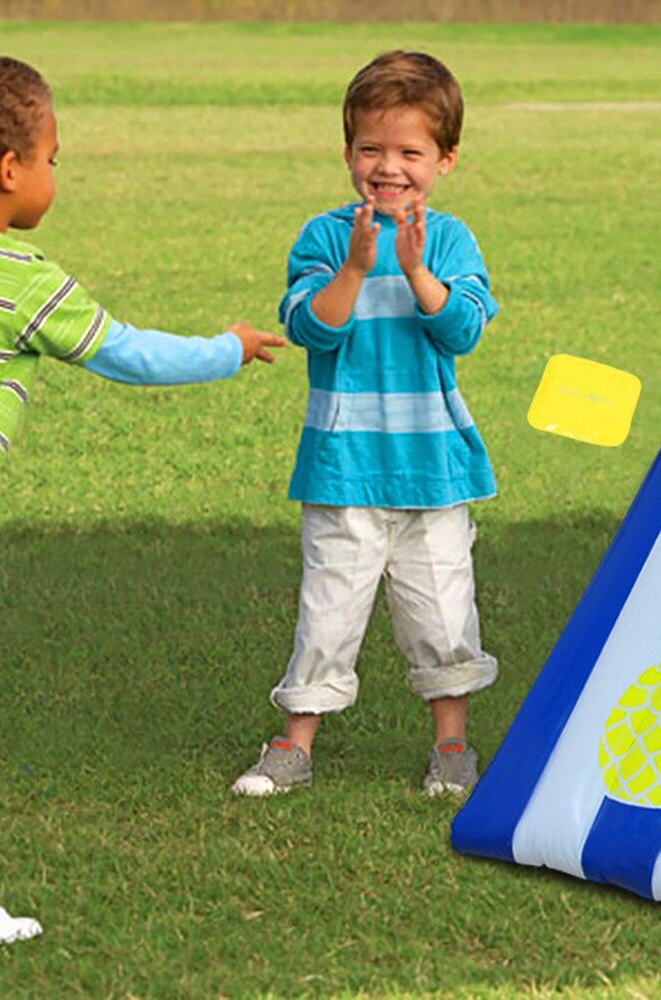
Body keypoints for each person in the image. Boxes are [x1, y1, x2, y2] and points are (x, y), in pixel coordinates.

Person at [0, 51, 285, 948]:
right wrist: (227, 347)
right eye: (52, 157)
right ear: (10, 172)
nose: (54, 174)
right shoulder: (21, 279)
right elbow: (131, 353)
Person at [231, 50, 498, 800]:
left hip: (435, 471)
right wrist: (355, 266)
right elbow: (315, 330)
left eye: (410, 152)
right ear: (348, 151)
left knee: (445, 615)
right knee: (328, 613)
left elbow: (462, 331)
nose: (389, 167)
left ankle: (452, 750)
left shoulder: (451, 241)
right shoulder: (324, 236)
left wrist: (417, 272)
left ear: (445, 159)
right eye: (371, 149)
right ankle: (292, 745)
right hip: (344, 468)